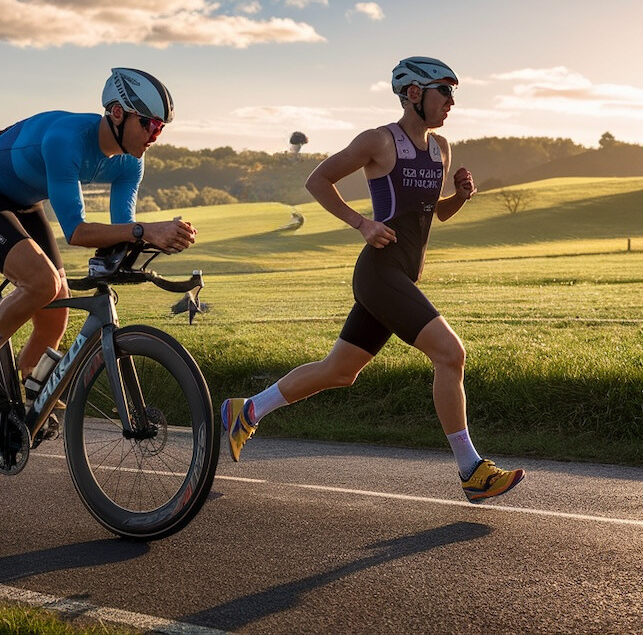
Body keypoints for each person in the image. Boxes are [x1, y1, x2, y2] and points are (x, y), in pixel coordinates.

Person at [220, 56, 525, 504]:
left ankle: (246, 409)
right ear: (415, 94)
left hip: (402, 274)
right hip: (379, 272)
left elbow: (432, 212)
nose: (452, 102)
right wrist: (361, 223)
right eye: (445, 91)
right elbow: (317, 180)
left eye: (455, 92)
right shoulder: (379, 141)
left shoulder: (441, 148)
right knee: (450, 353)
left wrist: (459, 197)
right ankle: (471, 470)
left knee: (340, 371)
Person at [0, 67, 197, 415]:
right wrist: (145, 230)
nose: (155, 136)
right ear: (118, 113)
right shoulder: (67, 140)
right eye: (149, 124)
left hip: (25, 203)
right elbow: (77, 233)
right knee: (42, 282)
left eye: (160, 127)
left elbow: (122, 230)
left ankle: (26, 401)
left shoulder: (131, 165)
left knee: (56, 314)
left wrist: (158, 238)